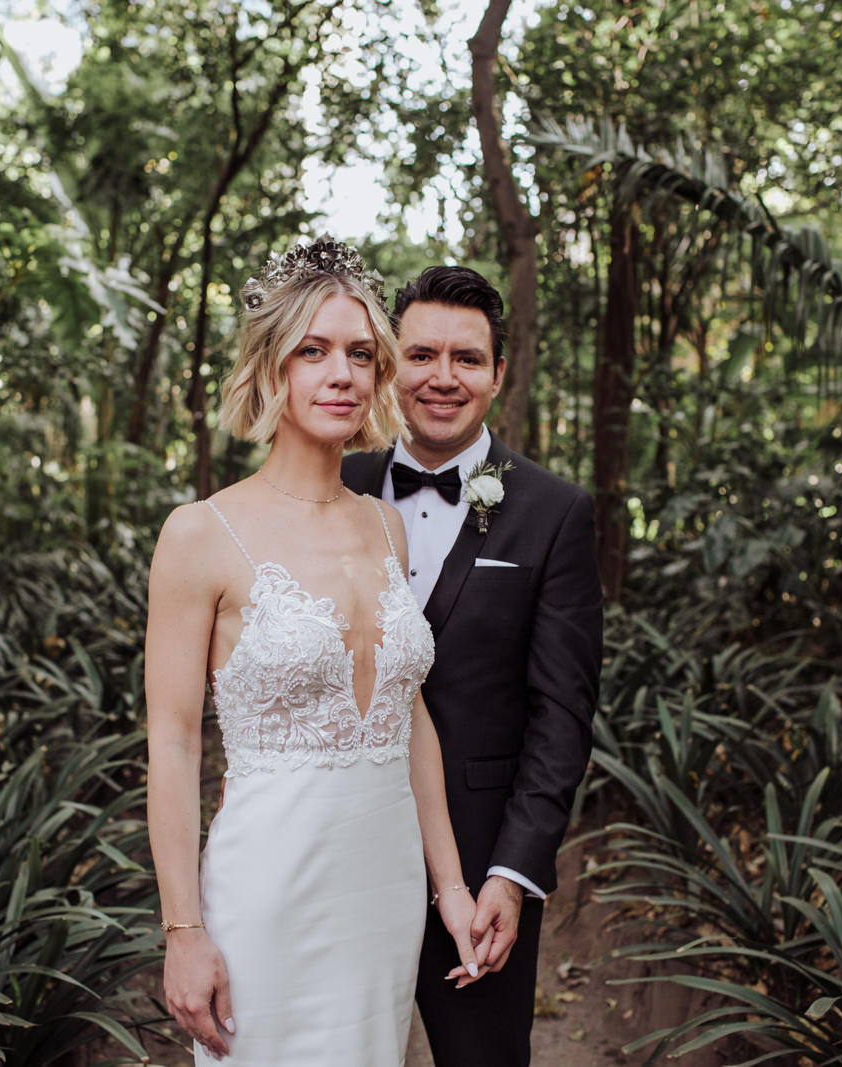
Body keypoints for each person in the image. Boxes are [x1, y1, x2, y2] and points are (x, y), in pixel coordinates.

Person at [145, 239, 487, 1065]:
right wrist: (183, 929)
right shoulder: (200, 533)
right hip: (266, 891)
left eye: (361, 353)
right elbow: (174, 743)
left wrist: (450, 887)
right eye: (313, 350)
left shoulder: (384, 523)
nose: (341, 374)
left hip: (384, 890)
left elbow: (408, 719)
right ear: (272, 368)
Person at [342, 265, 605, 1067]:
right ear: (391, 365)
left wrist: (515, 872)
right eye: (421, 355)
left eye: (467, 358)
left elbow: (561, 713)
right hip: (339, 849)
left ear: (498, 373)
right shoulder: (335, 486)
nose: (442, 378)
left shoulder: (555, 512)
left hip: (482, 864)